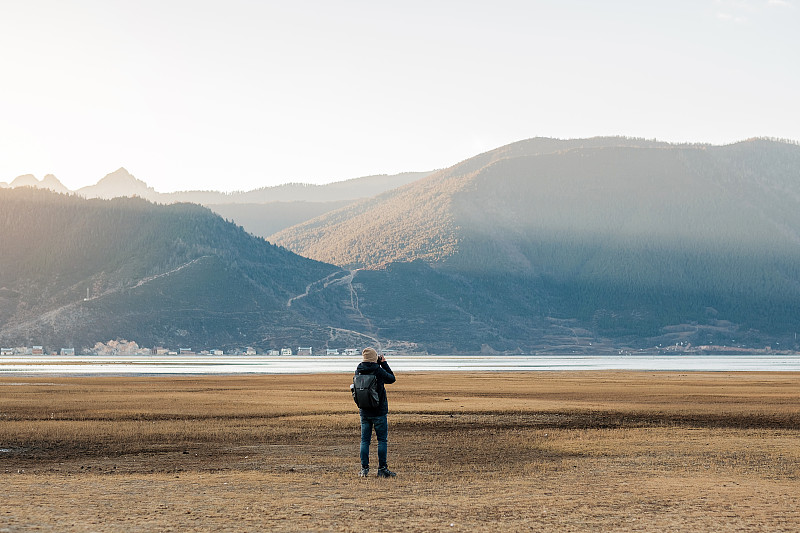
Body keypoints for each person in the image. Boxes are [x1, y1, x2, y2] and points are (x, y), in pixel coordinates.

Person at [355, 347, 396, 478]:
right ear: (375, 358)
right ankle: (382, 469)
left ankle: (364, 469)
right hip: (379, 411)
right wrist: (383, 363)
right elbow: (391, 378)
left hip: (364, 411)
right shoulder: (378, 371)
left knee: (364, 441)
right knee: (382, 441)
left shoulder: (358, 370)